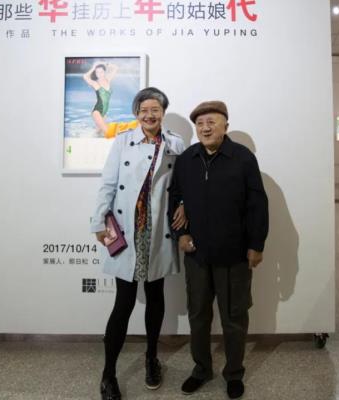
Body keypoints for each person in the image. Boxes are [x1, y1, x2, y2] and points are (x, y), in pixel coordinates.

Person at [90, 87, 187, 400]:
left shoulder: (175, 143)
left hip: (158, 231)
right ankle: (108, 374)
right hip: (128, 229)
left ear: (163, 112)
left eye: (155, 109)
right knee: (124, 303)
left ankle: (151, 359)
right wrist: (98, 221)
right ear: (136, 114)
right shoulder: (123, 141)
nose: (149, 115)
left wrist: (184, 204)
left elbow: (184, 183)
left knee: (156, 297)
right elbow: (108, 184)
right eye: (144, 110)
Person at [169, 101, 269, 399]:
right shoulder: (187, 159)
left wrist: (256, 244)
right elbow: (175, 197)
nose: (205, 128)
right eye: (200, 123)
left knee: (234, 317)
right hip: (197, 255)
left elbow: (257, 204)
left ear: (226, 125)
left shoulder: (243, 158)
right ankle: (201, 369)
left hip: (234, 255)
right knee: (198, 315)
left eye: (211, 122)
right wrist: (181, 234)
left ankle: (234, 373)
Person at [84, 62, 118, 136]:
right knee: (108, 132)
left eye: (101, 72)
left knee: (99, 133)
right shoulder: (95, 83)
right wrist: (93, 67)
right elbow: (85, 76)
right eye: (97, 72)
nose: (99, 74)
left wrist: (105, 64)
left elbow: (116, 68)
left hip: (104, 112)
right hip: (97, 111)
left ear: (104, 72)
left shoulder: (108, 80)